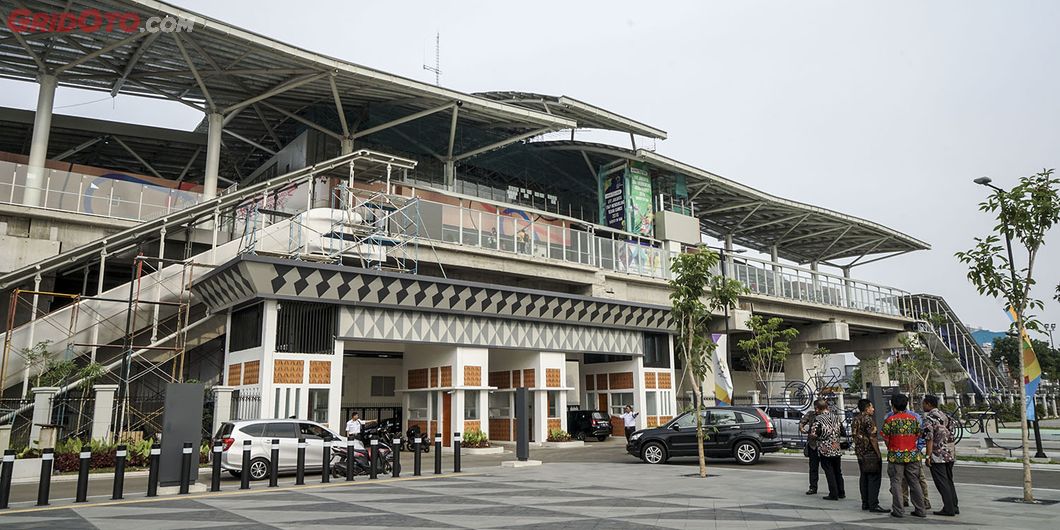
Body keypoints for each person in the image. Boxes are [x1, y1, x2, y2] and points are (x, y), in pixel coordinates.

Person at [882, 393, 927, 518]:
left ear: (893, 406)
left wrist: (891, 447)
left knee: (896, 482)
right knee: (914, 482)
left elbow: (885, 436)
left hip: (896, 455)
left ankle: (898, 510)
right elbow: (919, 434)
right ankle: (920, 509)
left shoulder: (890, 420)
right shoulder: (914, 419)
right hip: (912, 454)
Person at [922, 395, 959, 516]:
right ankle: (954, 506)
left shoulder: (930, 419)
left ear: (928, 404)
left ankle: (948, 508)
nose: (922, 406)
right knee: (949, 480)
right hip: (950, 453)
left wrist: (927, 457)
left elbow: (929, 439)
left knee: (941, 482)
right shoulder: (946, 416)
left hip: (938, 454)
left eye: (923, 403)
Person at [851, 399, 888, 513]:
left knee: (864, 477)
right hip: (870, 453)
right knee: (873, 478)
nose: (873, 409)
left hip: (860, 452)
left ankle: (865, 502)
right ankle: (873, 504)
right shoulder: (868, 420)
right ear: (867, 408)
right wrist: (878, 453)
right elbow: (872, 437)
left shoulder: (855, 419)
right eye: (871, 407)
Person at [809, 399, 845, 500]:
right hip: (836, 447)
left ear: (818, 408)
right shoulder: (836, 417)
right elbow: (843, 431)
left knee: (829, 471)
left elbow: (813, 434)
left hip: (825, 449)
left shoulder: (818, 419)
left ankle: (833, 493)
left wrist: (818, 437)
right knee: (838, 470)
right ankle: (841, 492)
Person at [798, 405, 822, 495]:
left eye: (818, 408)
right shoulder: (811, 414)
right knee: (813, 468)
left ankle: (834, 489)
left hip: (824, 446)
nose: (816, 410)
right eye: (815, 408)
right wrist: (801, 427)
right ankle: (813, 487)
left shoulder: (826, 416)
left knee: (829, 469)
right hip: (813, 445)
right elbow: (802, 421)